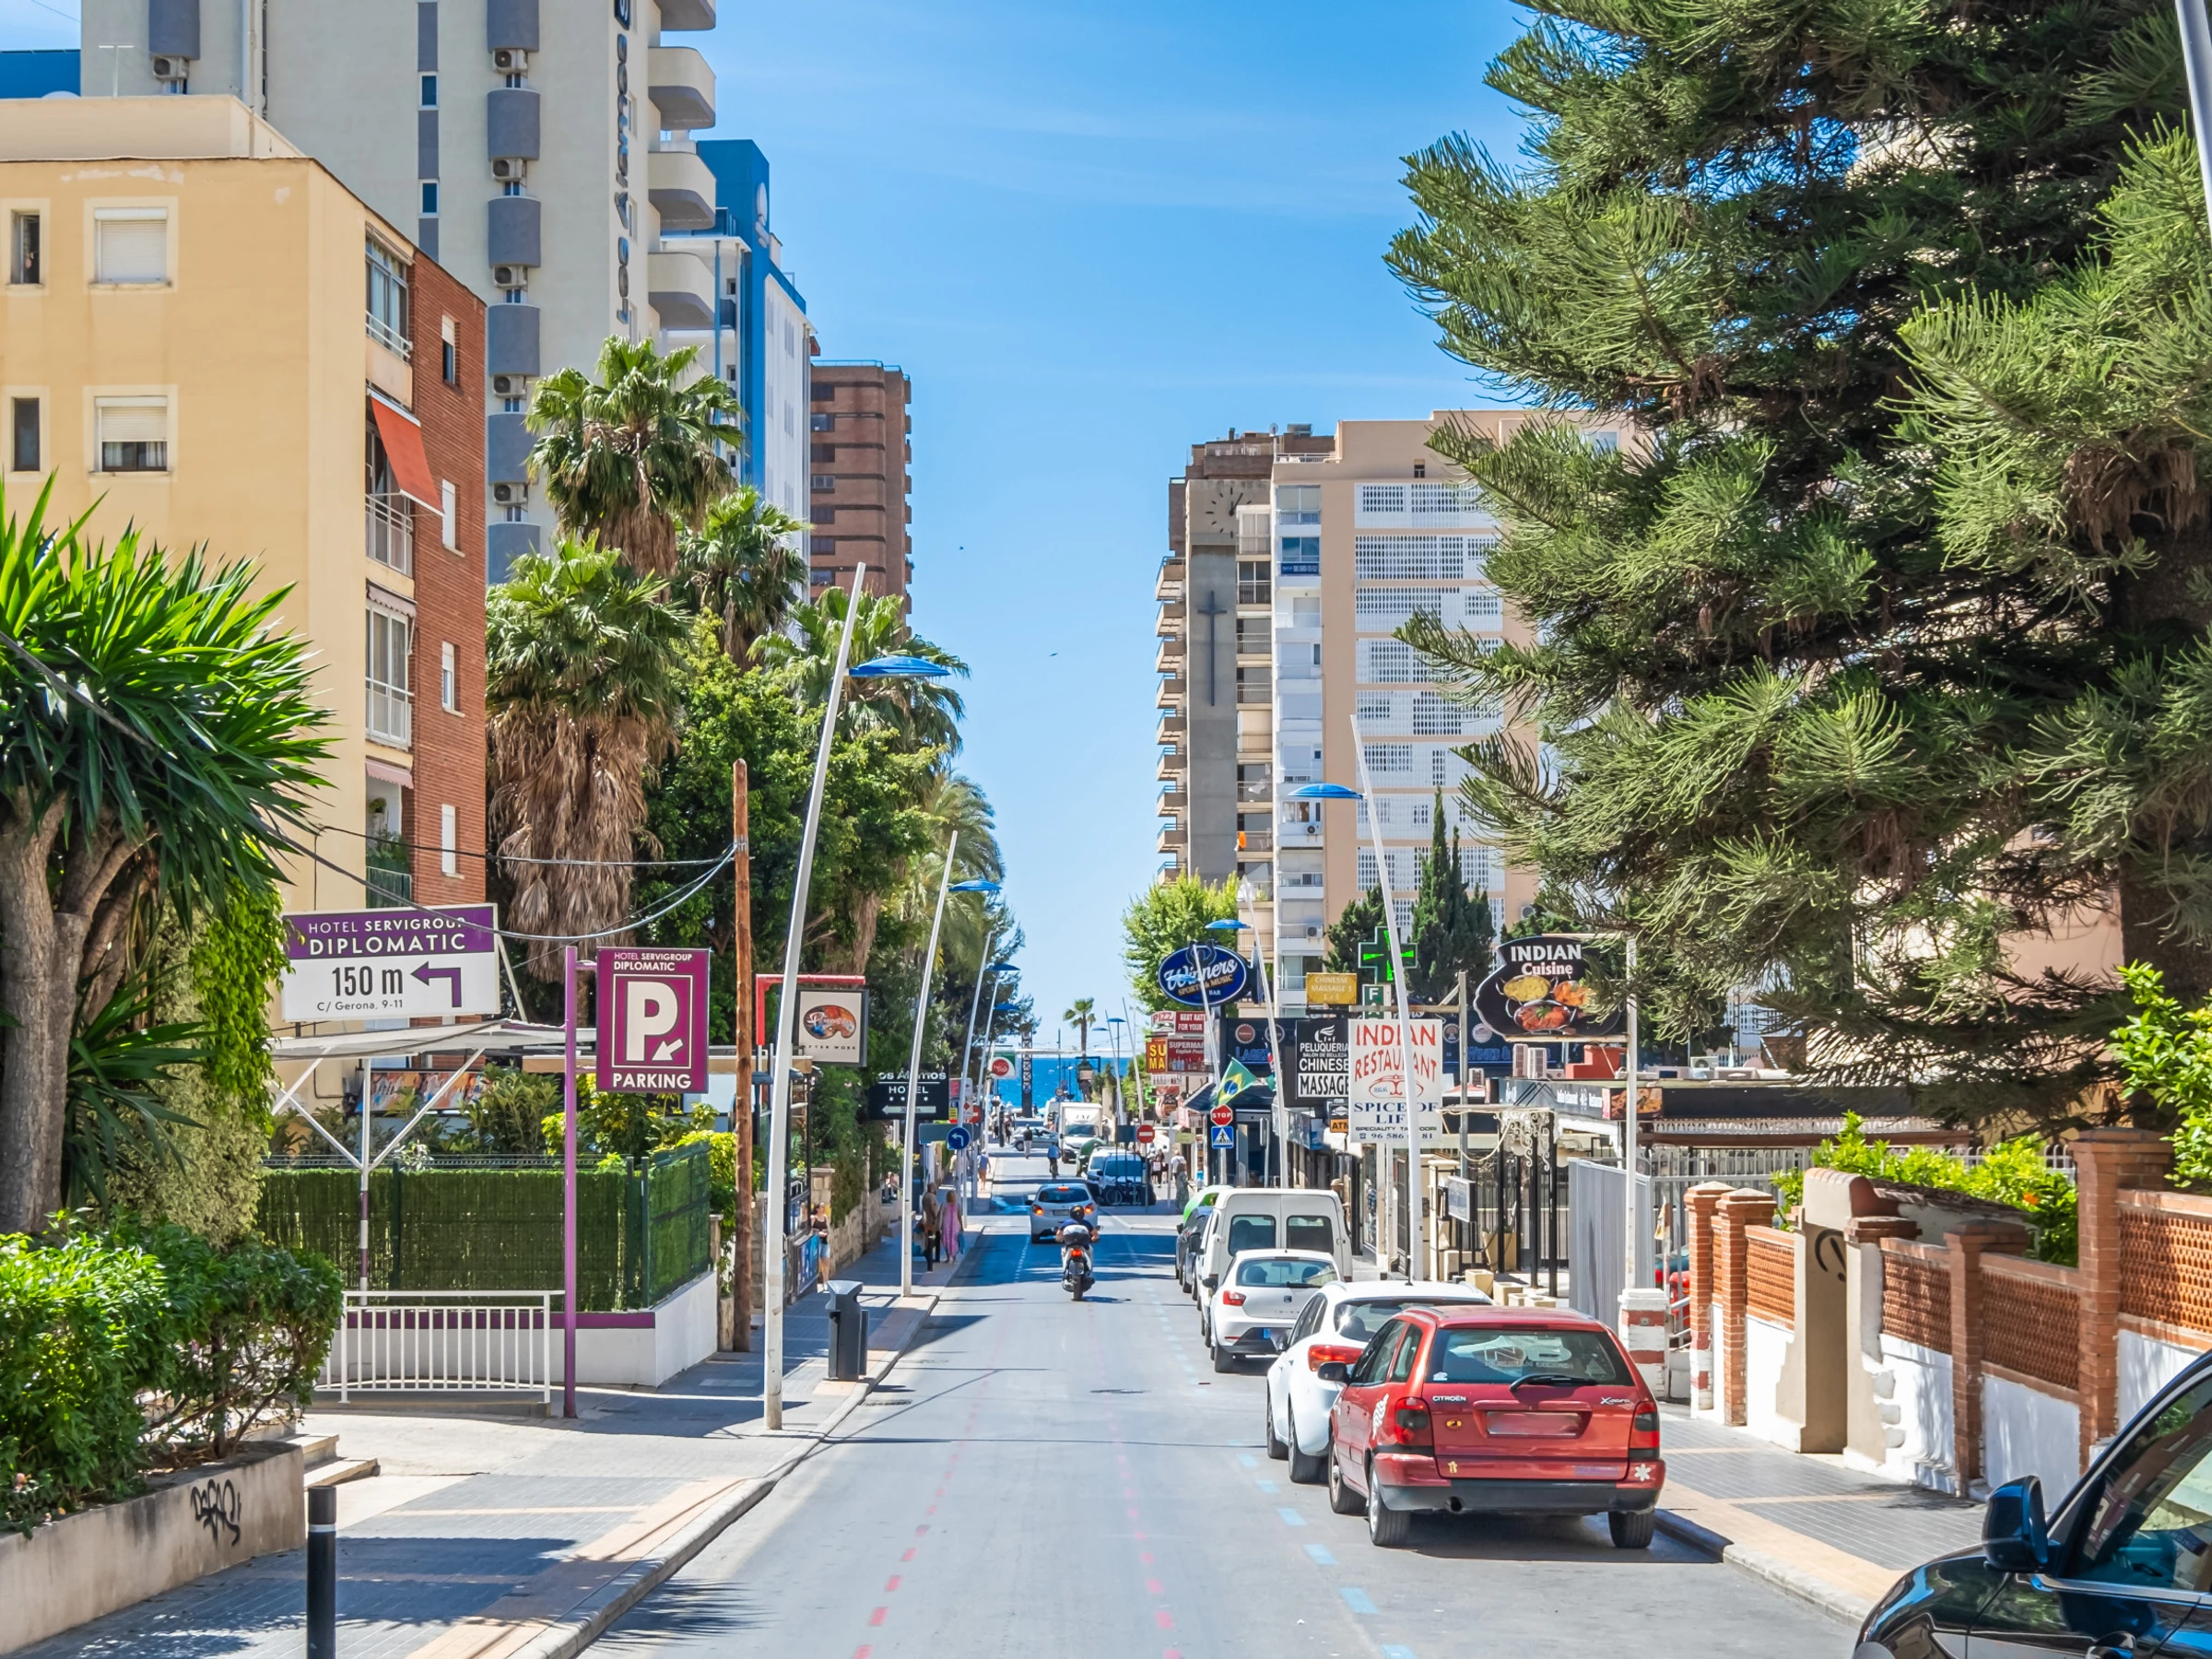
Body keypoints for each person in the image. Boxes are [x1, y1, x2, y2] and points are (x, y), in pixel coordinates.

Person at [922, 1187, 943, 1270]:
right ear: (932, 1188)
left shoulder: (926, 1196)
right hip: (932, 1223)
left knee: (931, 1238)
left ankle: (929, 1253)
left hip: (928, 1222)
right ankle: (928, 1253)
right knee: (933, 1238)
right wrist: (935, 1217)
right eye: (935, 1188)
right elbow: (931, 1206)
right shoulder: (930, 1196)